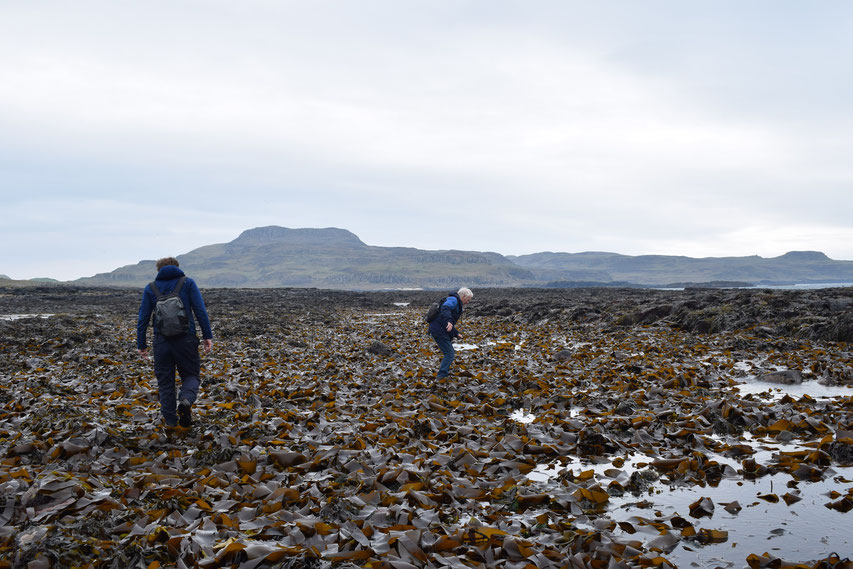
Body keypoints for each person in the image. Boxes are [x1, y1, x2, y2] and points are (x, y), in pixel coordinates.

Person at [137, 257, 213, 428]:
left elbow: (143, 318)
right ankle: (185, 400)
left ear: (159, 270)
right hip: (186, 340)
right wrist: (207, 336)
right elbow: (200, 310)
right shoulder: (187, 283)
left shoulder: (151, 288)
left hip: (161, 342)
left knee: (165, 384)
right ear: (177, 268)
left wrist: (141, 345)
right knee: (191, 375)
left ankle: (171, 423)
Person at [428, 287, 473, 379]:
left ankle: (443, 374)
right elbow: (445, 308)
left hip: (439, 329)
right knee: (449, 353)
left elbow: (448, 322)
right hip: (438, 330)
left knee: (449, 353)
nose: (468, 302)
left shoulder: (456, 301)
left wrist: (456, 333)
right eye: (468, 299)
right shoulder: (453, 299)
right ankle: (441, 376)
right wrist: (449, 321)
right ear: (463, 296)